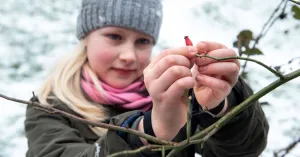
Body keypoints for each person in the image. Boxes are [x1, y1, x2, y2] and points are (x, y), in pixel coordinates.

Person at [24, 0, 269, 156]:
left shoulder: (177, 94)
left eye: (143, 41)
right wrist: (151, 128)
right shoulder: (49, 108)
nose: (129, 55)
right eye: (114, 37)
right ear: (86, 37)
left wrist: (221, 106)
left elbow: (242, 150)